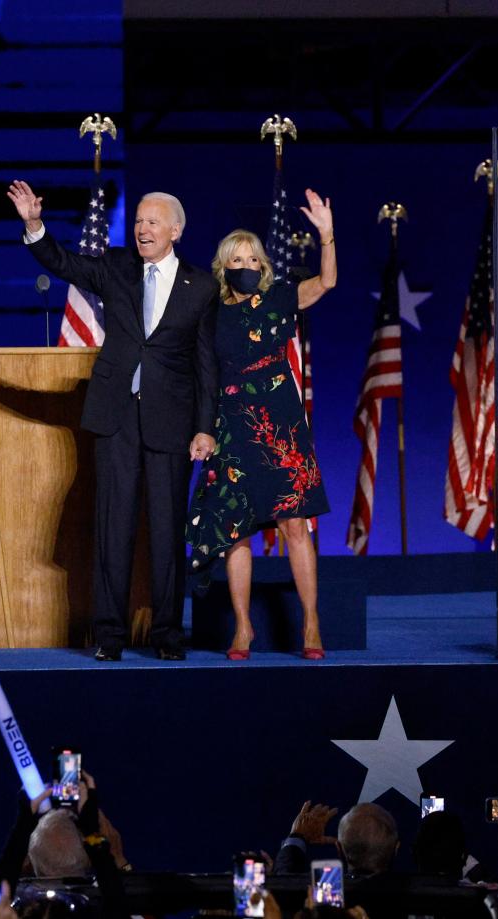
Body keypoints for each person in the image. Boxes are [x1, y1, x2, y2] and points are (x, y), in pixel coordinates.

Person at [7, 181, 219, 662]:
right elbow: (64, 263)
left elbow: (208, 366)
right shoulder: (117, 266)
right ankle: (109, 635)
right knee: (113, 527)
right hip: (116, 417)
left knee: (167, 533)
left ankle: (167, 634)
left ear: (175, 231)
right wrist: (34, 225)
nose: (142, 229)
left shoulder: (201, 286)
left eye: (152, 222)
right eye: (139, 221)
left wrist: (206, 428)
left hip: (171, 422)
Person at [186, 190, 337, 660]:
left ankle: (311, 623)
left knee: (295, 524)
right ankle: (243, 628)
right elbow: (205, 376)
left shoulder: (279, 297)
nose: (247, 263)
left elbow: (327, 282)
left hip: (281, 421)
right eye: (238, 257)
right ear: (224, 265)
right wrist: (204, 428)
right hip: (232, 422)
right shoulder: (210, 313)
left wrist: (326, 235)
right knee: (236, 529)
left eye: (253, 256)